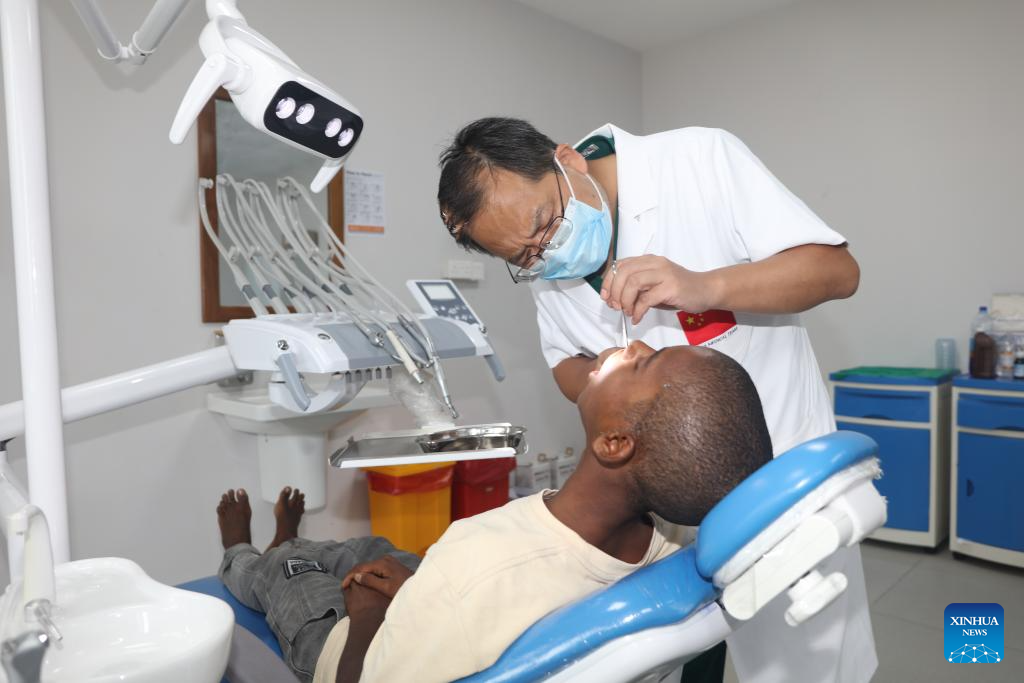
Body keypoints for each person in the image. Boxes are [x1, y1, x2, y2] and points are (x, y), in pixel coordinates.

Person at [436, 118, 873, 683]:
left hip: (781, 475)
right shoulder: (548, 264)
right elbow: (565, 365)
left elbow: (838, 271)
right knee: (681, 649)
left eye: (547, 225)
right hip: (662, 500)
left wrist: (705, 287)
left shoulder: (697, 161)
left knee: (802, 663)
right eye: (524, 258)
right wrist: (606, 377)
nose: (547, 254)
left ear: (568, 161)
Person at [216, 342, 772, 682]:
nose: (633, 345)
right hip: (440, 606)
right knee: (372, 551)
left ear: (615, 443)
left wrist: (367, 616)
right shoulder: (672, 543)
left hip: (348, 652)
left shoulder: (477, 559)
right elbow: (483, 602)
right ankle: (305, 547)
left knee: (291, 570)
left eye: (643, 362)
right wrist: (424, 595)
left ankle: (250, 551)